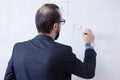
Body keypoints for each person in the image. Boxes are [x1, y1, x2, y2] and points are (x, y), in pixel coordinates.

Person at [4, 3, 97, 80]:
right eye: (61, 22)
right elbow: (88, 72)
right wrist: (88, 44)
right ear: (55, 26)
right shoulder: (63, 52)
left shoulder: (18, 49)